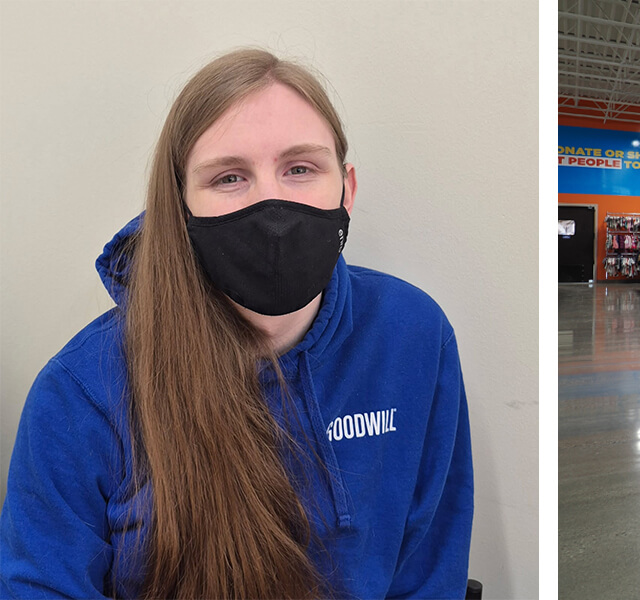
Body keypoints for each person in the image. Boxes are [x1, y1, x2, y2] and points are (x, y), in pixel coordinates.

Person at [0, 49, 473, 599]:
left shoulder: (414, 336)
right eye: (229, 177)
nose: (271, 204)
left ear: (346, 188)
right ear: (181, 207)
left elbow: (428, 571)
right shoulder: (82, 391)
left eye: (300, 168)